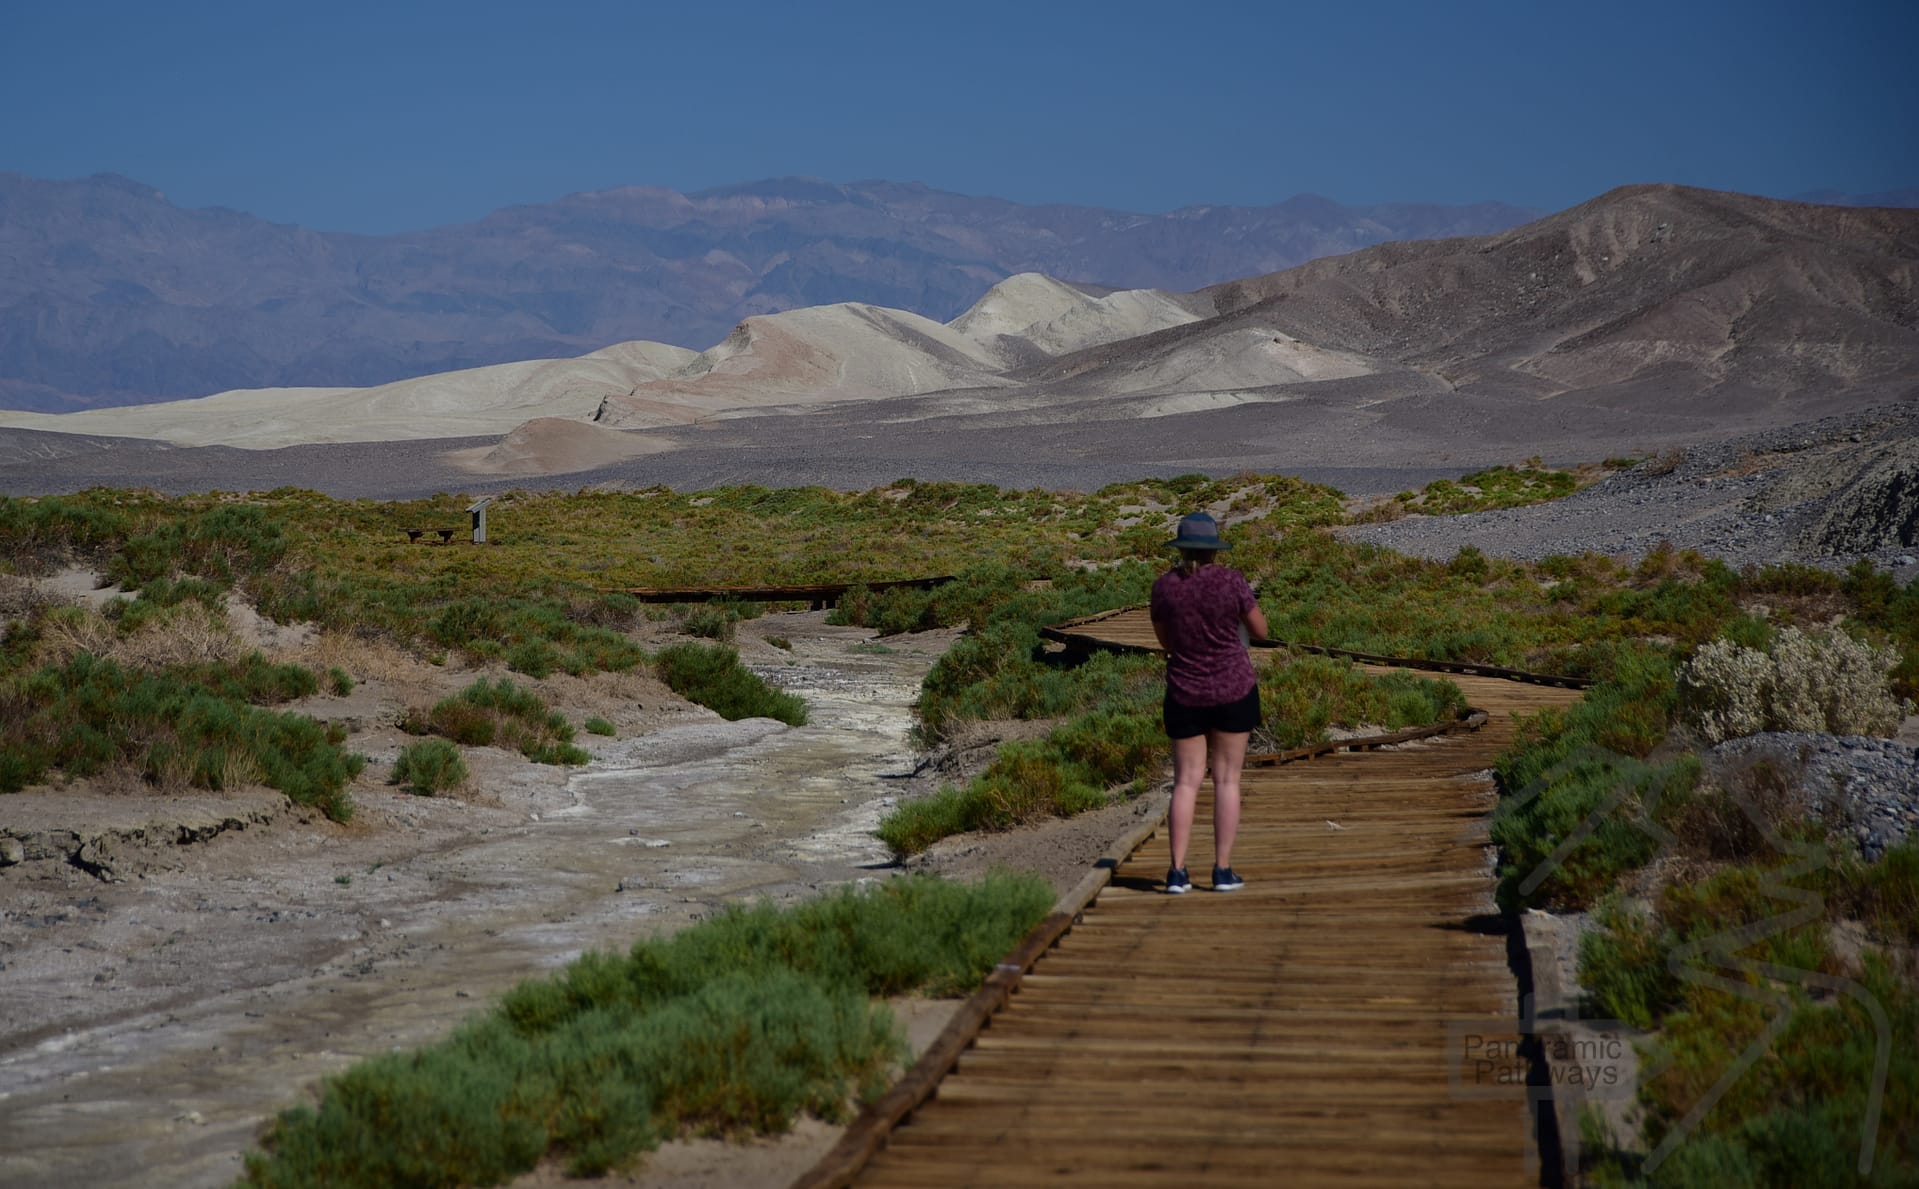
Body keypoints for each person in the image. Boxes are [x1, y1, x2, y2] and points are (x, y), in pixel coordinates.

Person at [1149, 512, 1268, 894]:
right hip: (1233, 687)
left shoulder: (1164, 588)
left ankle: (1177, 873)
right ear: (1214, 549)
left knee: (1185, 781)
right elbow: (1260, 631)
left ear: (1181, 548)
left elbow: (1165, 641)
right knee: (1227, 780)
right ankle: (1222, 871)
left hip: (1184, 691)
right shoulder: (1232, 581)